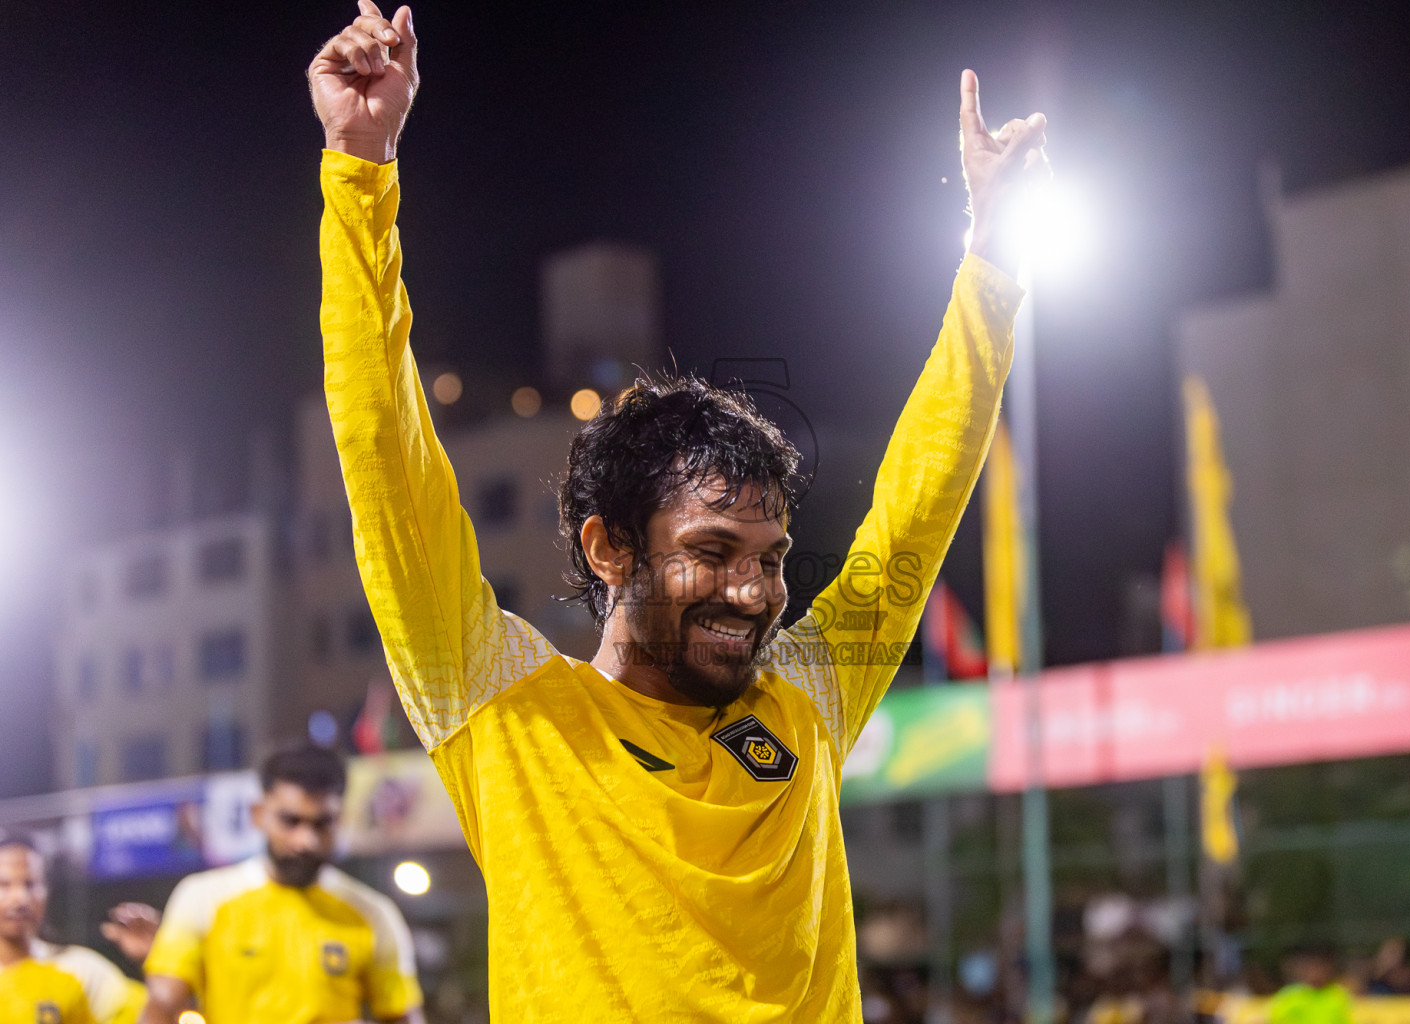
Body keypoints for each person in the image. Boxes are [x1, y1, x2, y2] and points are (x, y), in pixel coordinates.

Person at [309, 1, 1045, 1016]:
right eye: (711, 549)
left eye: (772, 554)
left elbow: (911, 525)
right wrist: (360, 176)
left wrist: (993, 258)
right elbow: (387, 466)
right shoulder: (508, 710)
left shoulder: (809, 703)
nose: (753, 590)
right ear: (610, 547)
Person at [139, 746, 424, 1023]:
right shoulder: (203, 897)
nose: (305, 841)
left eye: (322, 823)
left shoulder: (373, 914)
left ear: (341, 820)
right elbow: (162, 1007)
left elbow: (403, 1015)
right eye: (291, 821)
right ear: (258, 814)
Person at [0, 838, 146, 1024]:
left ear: (46, 891)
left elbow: (149, 1017)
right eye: (4, 885)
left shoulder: (81, 971)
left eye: (30, 884)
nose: (19, 898)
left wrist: (152, 960)